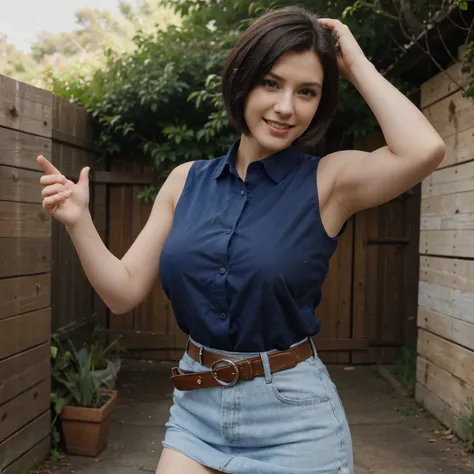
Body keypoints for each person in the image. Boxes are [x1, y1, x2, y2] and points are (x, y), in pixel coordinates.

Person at [37, 6, 445, 474]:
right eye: (271, 83)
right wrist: (77, 220)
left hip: (294, 418)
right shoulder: (184, 181)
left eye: (307, 92)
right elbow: (122, 290)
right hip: (197, 405)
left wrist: (355, 65)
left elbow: (424, 149)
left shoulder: (331, 182)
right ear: (242, 81)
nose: (287, 107)